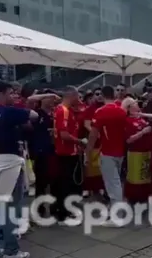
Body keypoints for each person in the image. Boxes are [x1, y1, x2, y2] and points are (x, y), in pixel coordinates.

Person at [0, 81, 38, 258]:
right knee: (12, 208)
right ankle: (10, 251)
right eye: (11, 93)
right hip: (9, 165)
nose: (13, 96)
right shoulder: (8, 112)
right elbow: (34, 115)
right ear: (2, 93)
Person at [86, 85, 127, 212]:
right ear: (113, 95)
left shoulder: (101, 112)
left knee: (112, 185)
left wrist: (88, 152)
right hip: (120, 151)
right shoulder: (121, 110)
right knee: (116, 183)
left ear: (103, 96)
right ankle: (116, 211)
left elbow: (93, 135)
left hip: (108, 152)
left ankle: (117, 215)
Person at [53, 86, 85, 224]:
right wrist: (80, 141)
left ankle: (64, 210)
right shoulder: (63, 111)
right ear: (71, 96)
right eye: (77, 96)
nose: (78, 99)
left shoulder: (67, 110)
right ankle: (62, 212)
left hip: (70, 151)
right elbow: (64, 134)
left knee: (67, 183)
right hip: (66, 152)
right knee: (65, 184)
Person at [28, 93, 59, 216]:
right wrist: (46, 94)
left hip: (54, 151)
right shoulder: (36, 113)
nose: (52, 100)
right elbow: (30, 99)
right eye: (49, 98)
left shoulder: (56, 113)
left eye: (53, 98)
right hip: (41, 152)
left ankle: (54, 208)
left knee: (55, 181)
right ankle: (39, 210)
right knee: (41, 183)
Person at [81, 88, 105, 196]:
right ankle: (87, 188)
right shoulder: (90, 109)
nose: (99, 96)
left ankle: (100, 187)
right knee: (89, 166)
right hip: (92, 141)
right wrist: (96, 133)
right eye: (97, 94)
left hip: (105, 142)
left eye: (101, 94)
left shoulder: (106, 108)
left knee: (101, 167)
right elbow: (87, 124)